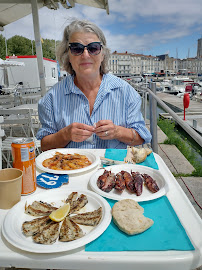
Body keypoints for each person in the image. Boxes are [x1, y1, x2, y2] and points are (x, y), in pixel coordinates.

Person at [36, 19, 152, 151]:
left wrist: (117, 132)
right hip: (71, 169)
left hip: (113, 170)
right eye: (76, 49)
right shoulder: (51, 98)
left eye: (93, 48)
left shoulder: (126, 92)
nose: (85, 55)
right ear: (68, 55)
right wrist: (65, 134)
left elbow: (141, 137)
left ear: (103, 54)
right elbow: (44, 146)